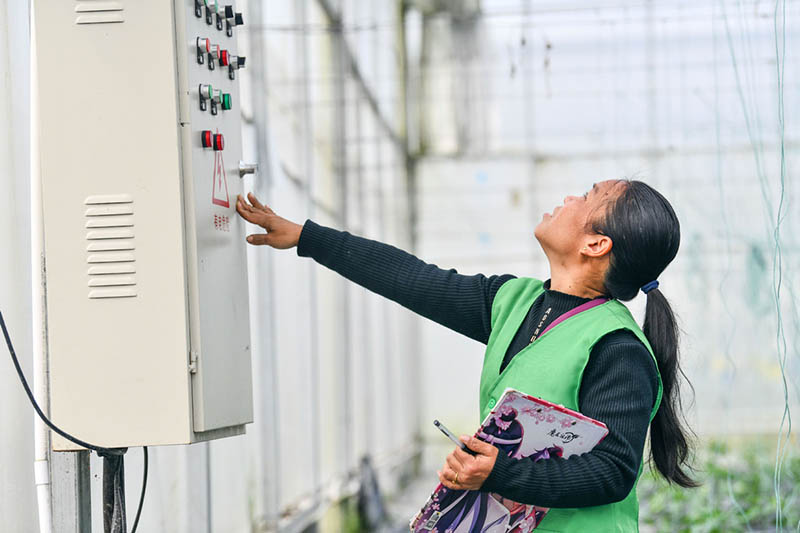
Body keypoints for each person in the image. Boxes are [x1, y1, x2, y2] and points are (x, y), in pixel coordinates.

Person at [235, 179, 698, 532]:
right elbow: (412, 279)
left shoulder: (617, 348)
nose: (570, 198)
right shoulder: (514, 302)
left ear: (596, 244)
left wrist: (498, 471)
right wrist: (306, 237)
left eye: (587, 196)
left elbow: (612, 472)